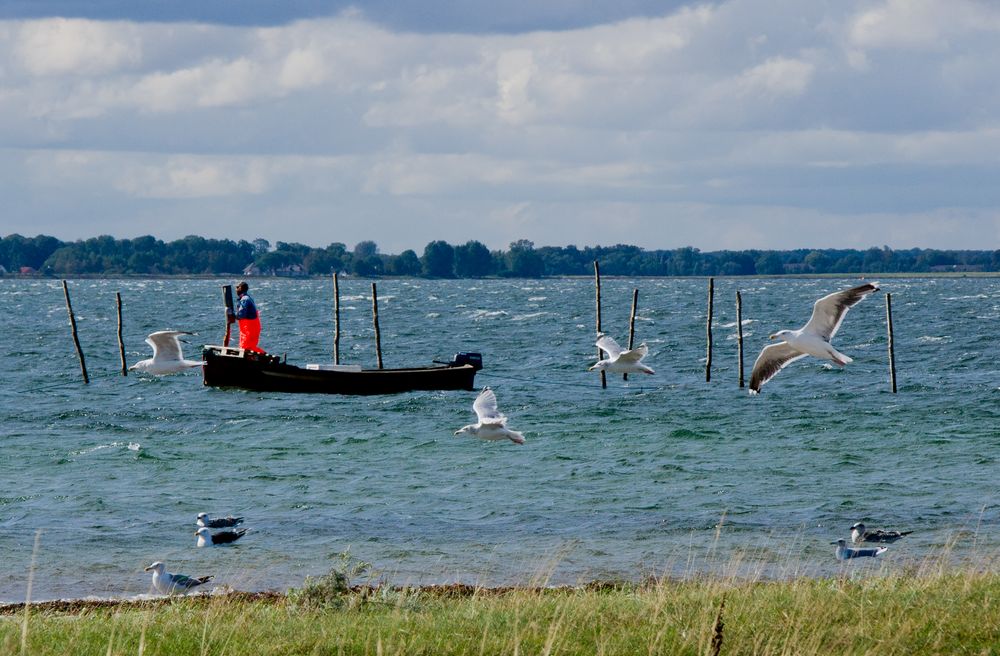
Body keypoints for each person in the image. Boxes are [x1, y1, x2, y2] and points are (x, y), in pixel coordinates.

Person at [228, 281, 265, 353]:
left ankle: (267, 359)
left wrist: (232, 314)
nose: (236, 289)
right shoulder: (248, 298)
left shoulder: (245, 299)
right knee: (247, 347)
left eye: (237, 287)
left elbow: (241, 315)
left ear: (240, 288)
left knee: (247, 347)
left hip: (250, 328)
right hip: (250, 328)